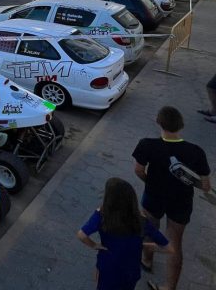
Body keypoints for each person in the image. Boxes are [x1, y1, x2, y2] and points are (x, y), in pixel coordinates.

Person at [132, 106, 212, 290]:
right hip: (181, 202)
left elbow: (138, 170)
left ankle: (147, 260)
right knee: (175, 242)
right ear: (181, 126)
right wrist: (187, 180)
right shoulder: (196, 151)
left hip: (153, 196)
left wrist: (150, 181)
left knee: (150, 229)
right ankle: (169, 286)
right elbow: (206, 186)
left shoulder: (147, 144)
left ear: (158, 122)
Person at [77, 177, 171, 290]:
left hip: (108, 265)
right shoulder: (141, 220)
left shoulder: (102, 215)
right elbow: (169, 248)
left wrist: (95, 245)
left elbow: (81, 235)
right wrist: (145, 246)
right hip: (131, 269)